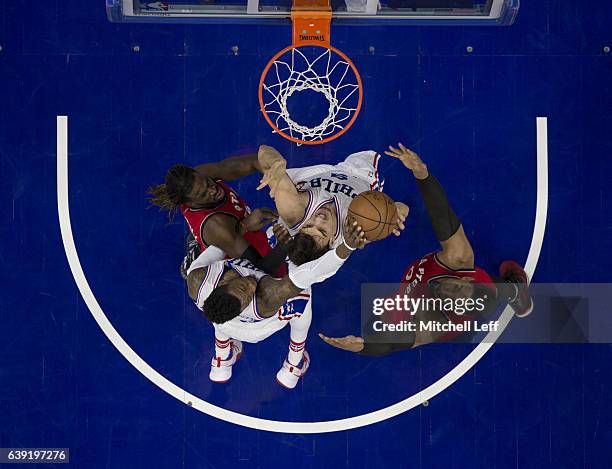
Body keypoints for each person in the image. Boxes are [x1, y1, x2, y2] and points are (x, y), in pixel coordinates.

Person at [319, 144, 533, 356]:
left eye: (450, 302)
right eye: (457, 289)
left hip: (416, 303)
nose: (448, 293)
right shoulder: (458, 259)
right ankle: (514, 289)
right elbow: (441, 213)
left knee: (377, 325)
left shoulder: (434, 321)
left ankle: (513, 291)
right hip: (431, 283)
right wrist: (422, 174)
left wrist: (364, 346)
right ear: (466, 279)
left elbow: (395, 344)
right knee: (489, 285)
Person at [186, 219, 367, 388]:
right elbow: (311, 273)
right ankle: (294, 364)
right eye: (248, 296)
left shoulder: (197, 280)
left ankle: (222, 359)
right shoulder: (266, 297)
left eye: (242, 288)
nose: (251, 287)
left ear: (222, 284)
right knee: (302, 295)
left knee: (217, 314)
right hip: (260, 327)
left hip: (225, 322)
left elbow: (220, 242)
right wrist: (347, 247)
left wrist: (245, 223)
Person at [256, 144, 409, 265]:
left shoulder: (294, 211)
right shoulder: (351, 233)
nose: (319, 219)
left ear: (301, 228)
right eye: (322, 230)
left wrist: (275, 161)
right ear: (332, 241)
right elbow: (402, 208)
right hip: (360, 173)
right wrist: (395, 212)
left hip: (313, 173)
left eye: (309, 226)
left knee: (274, 173)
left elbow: (263, 150)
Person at [148, 152, 286, 277]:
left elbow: (252, 162)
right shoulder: (215, 225)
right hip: (230, 251)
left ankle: (201, 245)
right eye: (203, 194)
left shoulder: (198, 178)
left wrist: (273, 174)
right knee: (279, 274)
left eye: (208, 182)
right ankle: (200, 258)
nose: (213, 190)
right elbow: (262, 271)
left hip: (231, 232)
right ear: (189, 203)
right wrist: (285, 243)